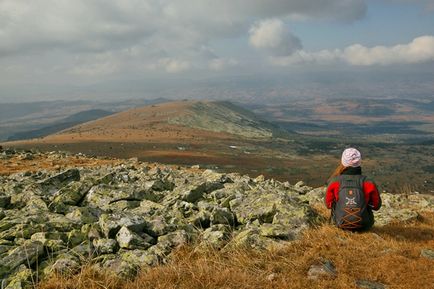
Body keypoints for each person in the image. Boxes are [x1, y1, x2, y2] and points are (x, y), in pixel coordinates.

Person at [325, 148, 381, 230]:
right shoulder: (368, 183)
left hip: (339, 224)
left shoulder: (334, 182)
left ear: (343, 162)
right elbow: (376, 206)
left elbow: (328, 204)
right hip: (364, 225)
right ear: (359, 162)